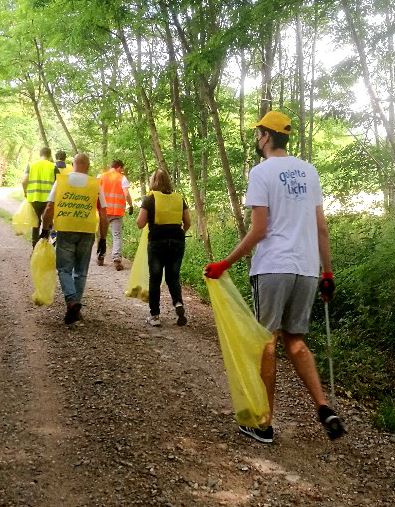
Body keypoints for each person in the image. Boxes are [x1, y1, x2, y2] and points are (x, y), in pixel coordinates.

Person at [204, 110, 346, 444]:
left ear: (267, 136)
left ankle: (263, 424)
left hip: (272, 268)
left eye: (258, 134)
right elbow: (321, 227)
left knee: (267, 342)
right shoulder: (309, 171)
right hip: (307, 269)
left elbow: (259, 229)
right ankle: (324, 405)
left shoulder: (262, 172)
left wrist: (226, 262)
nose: (257, 139)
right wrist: (327, 272)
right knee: (295, 341)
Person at [42, 153, 109, 325]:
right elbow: (103, 212)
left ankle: (71, 301)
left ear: (73, 164)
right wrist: (103, 238)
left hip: (66, 229)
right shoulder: (95, 184)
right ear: (88, 166)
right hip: (87, 231)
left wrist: (45, 229)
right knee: (81, 271)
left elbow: (50, 206)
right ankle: (74, 306)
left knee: (64, 269)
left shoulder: (62, 181)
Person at [136, 170, 191, 327]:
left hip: (157, 242)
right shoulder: (179, 199)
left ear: (152, 181)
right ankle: (178, 304)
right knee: (173, 277)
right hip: (177, 242)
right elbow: (188, 222)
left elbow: (140, 223)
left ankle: (155, 316)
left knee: (155, 278)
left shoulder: (150, 199)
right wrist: (179, 233)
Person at [97, 159, 134, 270]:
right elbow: (126, 194)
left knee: (101, 235)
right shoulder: (122, 178)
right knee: (117, 235)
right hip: (117, 212)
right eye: (122, 169)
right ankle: (117, 259)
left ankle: (100, 257)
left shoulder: (101, 177)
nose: (122, 171)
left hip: (103, 212)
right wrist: (130, 205)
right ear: (119, 167)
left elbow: (95, 192)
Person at [22, 147, 57, 246]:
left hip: (34, 198)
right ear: (50, 155)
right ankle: (48, 246)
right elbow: (58, 183)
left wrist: (25, 192)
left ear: (40, 154)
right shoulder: (53, 167)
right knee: (49, 223)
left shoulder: (31, 165)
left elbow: (24, 181)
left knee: (36, 223)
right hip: (49, 200)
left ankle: (34, 246)